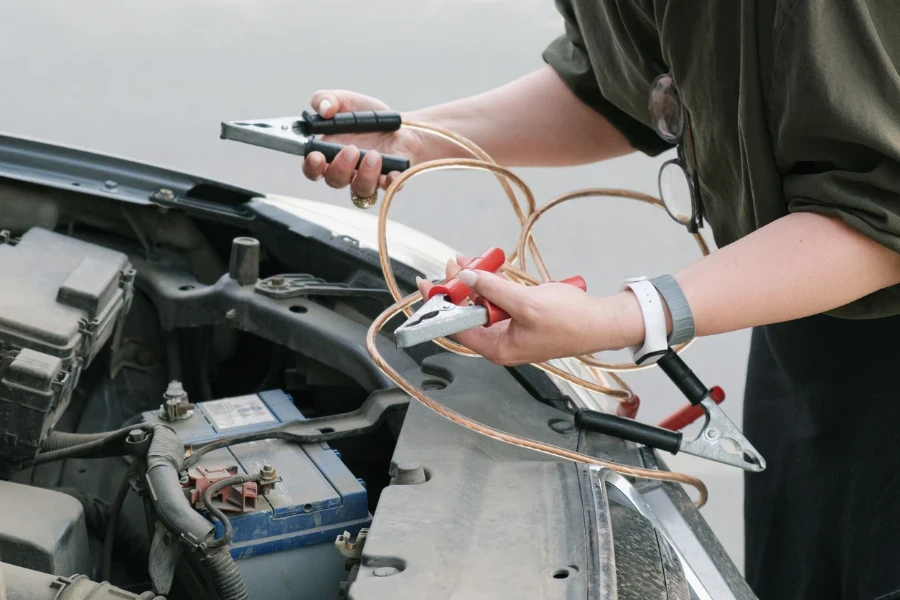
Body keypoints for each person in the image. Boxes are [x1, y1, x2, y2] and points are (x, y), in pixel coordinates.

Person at [302, 2, 900, 598]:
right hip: (799, 314)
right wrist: (417, 138)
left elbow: (881, 207)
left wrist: (620, 317)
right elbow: (616, 89)